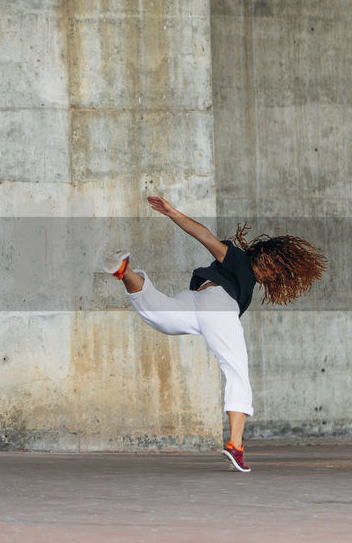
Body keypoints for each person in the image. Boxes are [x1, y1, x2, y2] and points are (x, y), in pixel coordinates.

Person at [101, 196, 327, 472]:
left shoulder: (246, 276)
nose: (273, 275)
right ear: (264, 256)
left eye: (279, 273)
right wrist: (173, 213)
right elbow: (205, 236)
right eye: (275, 267)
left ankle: (125, 271)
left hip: (197, 301)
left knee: (161, 317)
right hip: (219, 307)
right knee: (237, 371)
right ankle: (236, 444)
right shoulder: (239, 259)